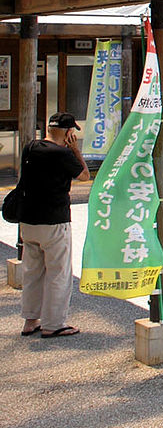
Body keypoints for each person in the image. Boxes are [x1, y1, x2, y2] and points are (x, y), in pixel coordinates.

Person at [19, 112, 90, 339]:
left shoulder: (31, 147)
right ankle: (53, 323)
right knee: (58, 272)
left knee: (32, 271)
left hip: (28, 220)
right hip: (54, 221)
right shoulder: (63, 154)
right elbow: (84, 176)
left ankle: (31, 320)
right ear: (69, 133)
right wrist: (76, 151)